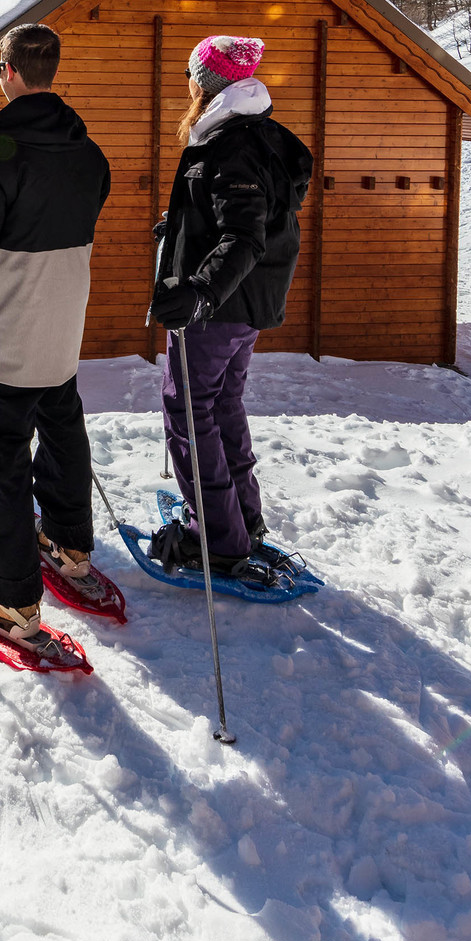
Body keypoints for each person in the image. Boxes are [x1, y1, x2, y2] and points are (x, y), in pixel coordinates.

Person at [0, 21, 113, 657]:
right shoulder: (88, 152)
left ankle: (12, 598)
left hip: (7, 326)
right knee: (62, 431)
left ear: (8, 71)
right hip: (63, 322)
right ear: (51, 71)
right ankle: (70, 547)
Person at [149, 35, 313, 575]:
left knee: (189, 414)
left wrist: (199, 293)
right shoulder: (255, 135)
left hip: (220, 309)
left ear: (209, 83)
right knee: (221, 407)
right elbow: (245, 218)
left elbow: (244, 237)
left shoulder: (230, 145)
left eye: (191, 75)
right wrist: (182, 229)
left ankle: (217, 538)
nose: (187, 84)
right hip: (246, 304)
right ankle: (243, 517)